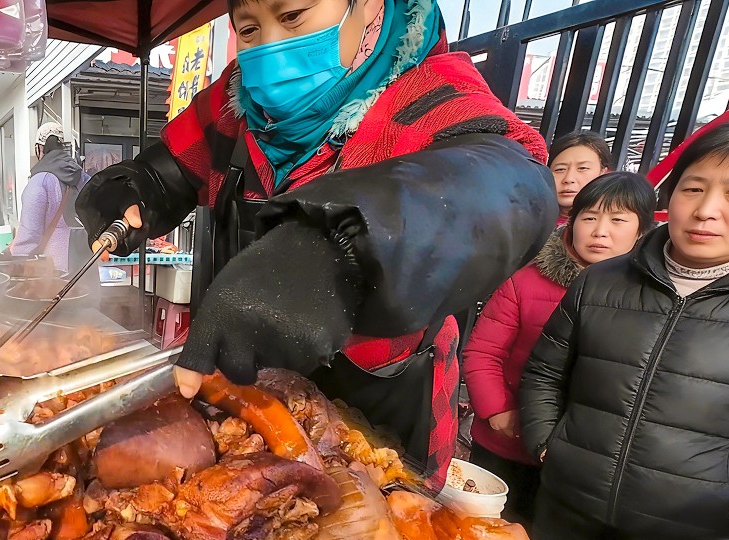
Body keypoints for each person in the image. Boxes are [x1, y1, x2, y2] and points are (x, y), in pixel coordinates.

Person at [76, 0, 556, 483]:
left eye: (293, 16)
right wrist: (134, 189)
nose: (271, 45)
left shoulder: (430, 93)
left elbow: (511, 183)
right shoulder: (234, 102)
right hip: (236, 395)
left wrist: (335, 250)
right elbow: (173, 170)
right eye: (249, 29)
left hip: (377, 409)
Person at [521, 121, 729, 540]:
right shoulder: (602, 281)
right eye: (694, 188)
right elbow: (544, 373)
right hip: (570, 514)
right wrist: (549, 447)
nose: (708, 210)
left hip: (689, 538)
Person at [462, 172, 655, 527]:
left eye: (617, 220)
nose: (600, 232)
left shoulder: (651, 298)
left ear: (641, 231)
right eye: (589, 217)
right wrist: (497, 410)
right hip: (508, 440)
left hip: (587, 459)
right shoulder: (525, 281)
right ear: (572, 221)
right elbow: (483, 352)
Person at [12, 122, 89, 271]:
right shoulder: (83, 178)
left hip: (55, 271)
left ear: (39, 148)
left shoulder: (40, 182)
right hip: (86, 264)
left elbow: (29, 234)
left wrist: (17, 263)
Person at [549, 130, 613, 226]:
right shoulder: (532, 221)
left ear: (603, 173)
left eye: (583, 168)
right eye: (560, 169)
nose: (568, 179)